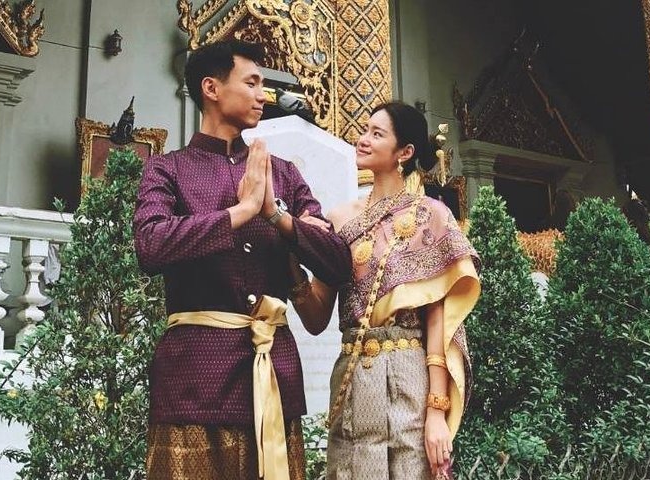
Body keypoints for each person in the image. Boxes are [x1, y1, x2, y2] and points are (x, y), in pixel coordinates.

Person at [133, 39, 352, 480]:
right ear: (211, 88)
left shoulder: (284, 174)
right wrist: (240, 213)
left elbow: (337, 262)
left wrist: (275, 214)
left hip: (273, 373)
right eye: (251, 83)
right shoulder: (168, 170)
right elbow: (151, 245)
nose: (261, 95)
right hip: (194, 377)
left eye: (263, 85)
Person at [291, 101, 481, 478]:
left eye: (377, 134)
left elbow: (439, 321)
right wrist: (289, 254)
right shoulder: (338, 219)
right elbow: (315, 318)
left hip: (409, 374)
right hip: (352, 377)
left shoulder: (430, 216)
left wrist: (436, 412)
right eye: (364, 130)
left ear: (405, 152)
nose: (362, 140)